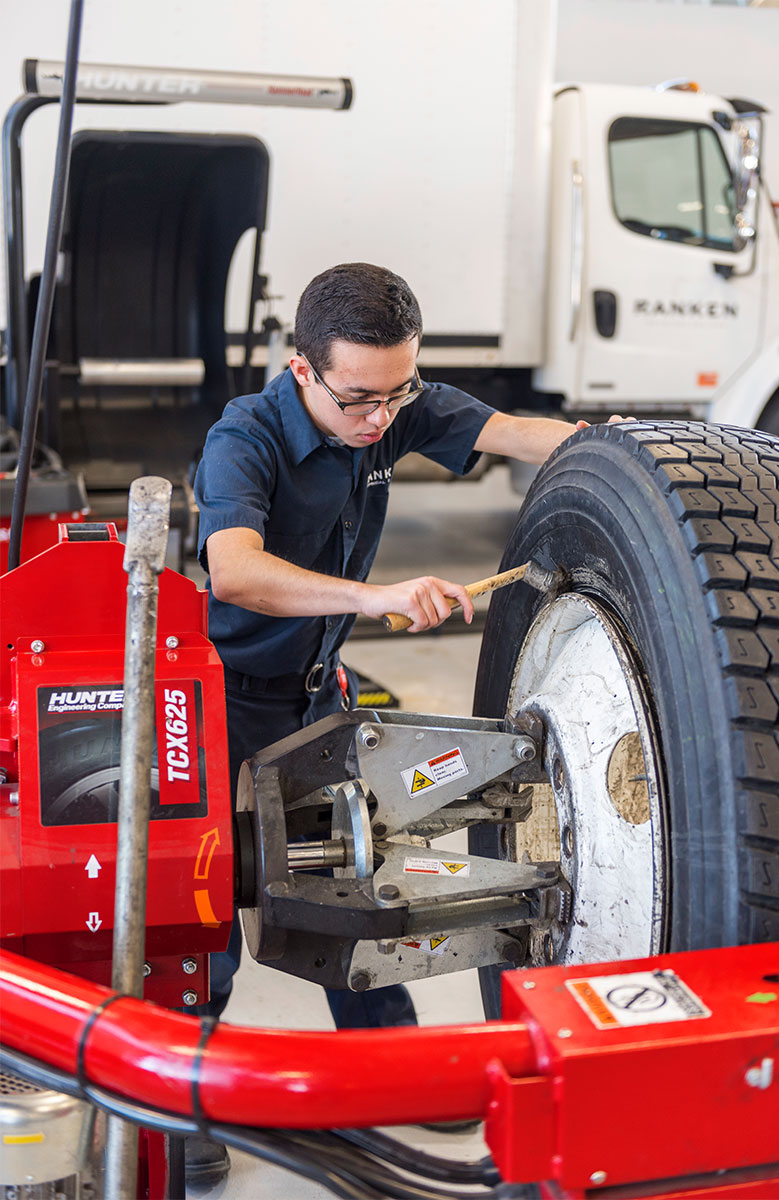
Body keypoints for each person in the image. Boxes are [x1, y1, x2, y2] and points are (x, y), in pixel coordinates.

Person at [187, 262, 597, 1187]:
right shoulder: (243, 438)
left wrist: (612, 446)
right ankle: (187, 1104)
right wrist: (375, 597)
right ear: (303, 372)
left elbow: (510, 430)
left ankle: (391, 1083)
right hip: (222, 701)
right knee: (205, 905)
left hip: (314, 697)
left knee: (363, 892)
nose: (382, 418)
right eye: (360, 399)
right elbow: (236, 573)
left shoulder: (391, 399)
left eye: (398, 392)